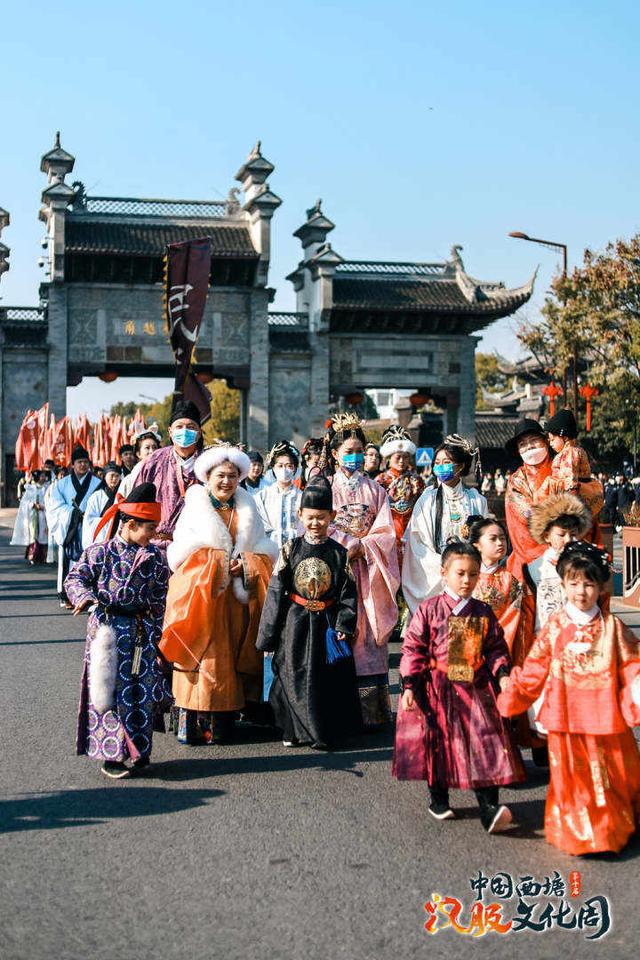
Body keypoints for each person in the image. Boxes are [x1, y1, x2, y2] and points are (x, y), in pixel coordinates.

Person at [498, 541, 640, 855]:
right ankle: (579, 833)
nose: (581, 591)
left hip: (604, 717)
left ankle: (606, 833)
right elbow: (534, 667)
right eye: (573, 583)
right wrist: (515, 694)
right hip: (566, 719)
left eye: (589, 583)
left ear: (601, 587)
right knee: (572, 780)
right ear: (563, 583)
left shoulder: (611, 627)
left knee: (607, 776)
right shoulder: (555, 626)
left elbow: (631, 664)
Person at [393, 540, 525, 831]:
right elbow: (413, 649)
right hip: (438, 688)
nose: (467, 580)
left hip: (476, 687)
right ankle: (438, 798)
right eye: (460, 573)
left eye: (473, 574)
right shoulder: (429, 610)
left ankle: (489, 807)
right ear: (444, 573)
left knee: (486, 742)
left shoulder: (481, 610)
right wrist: (409, 685)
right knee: (439, 744)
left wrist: (502, 673)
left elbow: (495, 647)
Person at [160, 445, 278, 745]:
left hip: (236, 601)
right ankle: (194, 724)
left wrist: (248, 564)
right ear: (207, 477)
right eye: (220, 476)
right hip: (201, 598)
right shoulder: (194, 508)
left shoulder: (248, 507)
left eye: (232, 476)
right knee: (203, 656)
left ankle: (226, 722)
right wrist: (221, 563)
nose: (226, 481)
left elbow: (264, 550)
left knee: (231, 658)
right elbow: (182, 556)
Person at [65, 482, 170, 779]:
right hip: (107, 632)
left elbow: (160, 597)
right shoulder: (100, 552)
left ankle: (139, 751)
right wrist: (86, 599)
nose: (153, 534)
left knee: (141, 692)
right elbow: (75, 579)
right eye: (149, 528)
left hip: (141, 633)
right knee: (106, 694)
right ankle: (111, 755)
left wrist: (157, 631)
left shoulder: (154, 558)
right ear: (131, 524)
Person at [256, 478, 361, 749]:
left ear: (332, 517)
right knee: (292, 673)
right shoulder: (290, 549)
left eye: (322, 518)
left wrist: (344, 624)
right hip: (295, 621)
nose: (316, 523)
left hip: (326, 624)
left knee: (324, 679)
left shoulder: (339, 553)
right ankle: (293, 730)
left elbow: (348, 593)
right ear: (300, 515)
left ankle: (321, 731)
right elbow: (276, 591)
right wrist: (268, 635)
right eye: (311, 517)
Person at [323, 413, 399, 727]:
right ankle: (339, 713)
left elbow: (386, 531)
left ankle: (372, 714)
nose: (354, 457)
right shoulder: (326, 487)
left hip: (369, 570)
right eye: (348, 451)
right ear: (334, 454)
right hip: (338, 571)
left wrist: (363, 546)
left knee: (368, 636)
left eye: (359, 450)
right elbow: (318, 523)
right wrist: (344, 545)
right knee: (339, 630)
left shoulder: (377, 490)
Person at [402, 434, 488, 611]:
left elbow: (483, 542)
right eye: (437, 463)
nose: (441, 467)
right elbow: (417, 544)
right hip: (436, 570)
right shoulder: (427, 500)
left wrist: (465, 566)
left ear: (461, 466)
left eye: (446, 462)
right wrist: (446, 565)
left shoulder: (476, 500)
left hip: (468, 573)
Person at [135, 400, 203, 547]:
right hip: (154, 545)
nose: (184, 431)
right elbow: (136, 505)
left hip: (196, 549)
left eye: (190, 427)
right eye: (179, 427)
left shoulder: (209, 464)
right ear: (170, 432)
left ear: (198, 433)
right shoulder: (153, 462)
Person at [46, 447, 101, 608]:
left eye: (85, 462)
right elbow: (54, 506)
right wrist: (73, 514)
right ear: (73, 464)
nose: (83, 465)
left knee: (90, 561)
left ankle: (89, 596)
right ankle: (68, 596)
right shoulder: (61, 484)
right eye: (79, 462)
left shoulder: (98, 484)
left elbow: (103, 504)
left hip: (89, 528)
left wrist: (90, 515)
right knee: (67, 561)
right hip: (69, 529)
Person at [504, 418, 553, 581]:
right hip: (530, 554)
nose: (529, 446)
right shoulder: (516, 480)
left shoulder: (562, 469)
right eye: (523, 444)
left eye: (534, 441)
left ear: (546, 441)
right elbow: (528, 515)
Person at [467, 516, 522, 654]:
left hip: (496, 649)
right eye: (493, 539)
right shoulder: (465, 575)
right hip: (464, 645)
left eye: (502, 538)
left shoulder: (510, 580)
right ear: (477, 545)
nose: (500, 543)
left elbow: (511, 620)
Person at [542, 409, 604, 529]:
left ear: (564, 437)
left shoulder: (569, 453)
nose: (550, 443)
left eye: (552, 439)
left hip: (570, 500)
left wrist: (570, 512)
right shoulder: (574, 451)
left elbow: (571, 484)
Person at [376, 425, 426, 569]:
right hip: (388, 528)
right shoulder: (380, 480)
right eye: (398, 457)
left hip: (411, 528)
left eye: (405, 457)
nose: (401, 461)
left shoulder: (416, 480)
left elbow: (421, 507)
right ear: (389, 458)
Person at [255, 441, 303, 548]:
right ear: (273, 468)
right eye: (280, 466)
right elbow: (260, 525)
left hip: (296, 549)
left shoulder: (302, 497)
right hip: (269, 550)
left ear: (294, 468)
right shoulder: (262, 496)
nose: (284, 470)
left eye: (289, 466)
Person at [10, 470, 51, 564]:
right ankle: (33, 556)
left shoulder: (47, 488)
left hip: (44, 514)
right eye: (42, 476)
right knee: (34, 535)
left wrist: (44, 506)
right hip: (33, 515)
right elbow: (24, 502)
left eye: (44, 476)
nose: (44, 478)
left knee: (44, 535)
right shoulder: (31, 489)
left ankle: (43, 557)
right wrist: (33, 505)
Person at [82, 461, 123, 548]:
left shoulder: (122, 495)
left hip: (118, 534)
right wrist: (108, 522)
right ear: (104, 477)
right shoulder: (96, 496)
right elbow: (89, 520)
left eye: (117, 476)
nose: (114, 479)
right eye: (112, 475)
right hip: (100, 537)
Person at [119, 424, 162, 497]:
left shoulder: (165, 474)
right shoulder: (128, 480)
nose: (152, 451)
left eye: (155, 447)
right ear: (138, 453)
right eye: (147, 448)